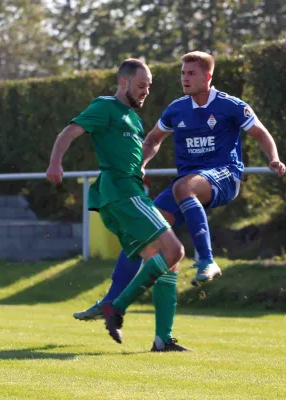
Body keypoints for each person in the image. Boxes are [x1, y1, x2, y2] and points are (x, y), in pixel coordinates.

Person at [73, 51, 286, 328]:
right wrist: (141, 164)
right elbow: (152, 140)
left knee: (186, 187)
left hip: (224, 176)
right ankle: (115, 304)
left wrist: (273, 157)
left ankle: (207, 260)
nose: (185, 78)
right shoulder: (177, 108)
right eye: (183, 73)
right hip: (187, 184)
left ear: (207, 77)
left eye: (191, 73)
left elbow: (260, 132)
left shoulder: (230, 105)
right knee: (143, 233)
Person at [46, 58, 188, 351]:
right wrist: (55, 163)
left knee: (165, 263)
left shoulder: (133, 118)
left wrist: (141, 166)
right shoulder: (104, 107)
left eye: (149, 86)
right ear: (123, 82)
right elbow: (69, 132)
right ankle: (115, 306)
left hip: (130, 190)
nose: (146, 91)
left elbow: (133, 151)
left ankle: (163, 339)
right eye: (141, 85)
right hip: (122, 193)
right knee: (175, 250)